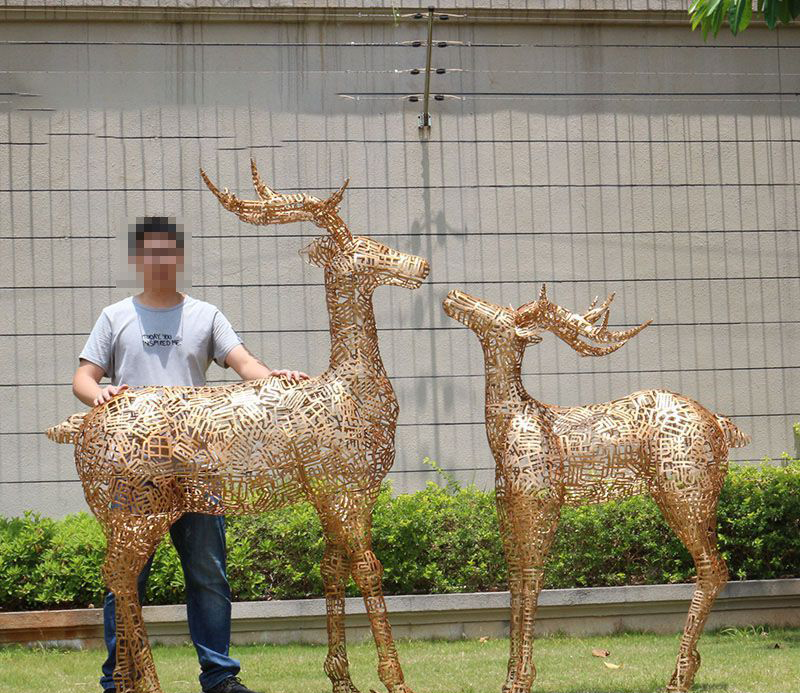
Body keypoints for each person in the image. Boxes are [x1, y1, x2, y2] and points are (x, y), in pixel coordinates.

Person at [71, 216, 308, 693]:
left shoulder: (205, 315)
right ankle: (119, 679)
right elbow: (83, 378)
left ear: (179, 258)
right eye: (151, 252)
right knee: (126, 576)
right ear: (139, 259)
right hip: (135, 469)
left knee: (208, 574)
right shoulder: (115, 316)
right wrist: (97, 393)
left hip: (197, 465)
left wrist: (273, 378)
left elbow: (244, 363)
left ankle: (220, 677)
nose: (160, 260)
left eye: (168, 252)